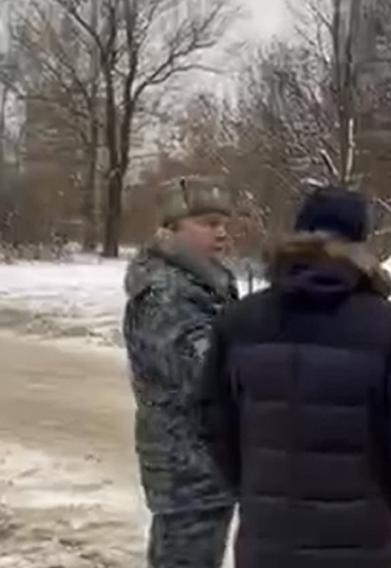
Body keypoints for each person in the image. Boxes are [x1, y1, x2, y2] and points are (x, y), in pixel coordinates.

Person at [198, 186, 391, 568]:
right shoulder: (388, 326)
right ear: (360, 242)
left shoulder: (240, 320)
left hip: (268, 539)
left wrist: (252, 486)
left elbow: (213, 420)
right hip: (361, 541)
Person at [123, 178, 238, 568]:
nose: (221, 233)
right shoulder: (166, 293)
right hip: (186, 469)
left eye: (224, 223)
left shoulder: (202, 283)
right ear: (171, 229)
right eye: (208, 223)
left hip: (205, 465)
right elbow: (205, 373)